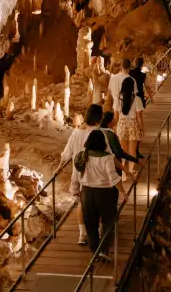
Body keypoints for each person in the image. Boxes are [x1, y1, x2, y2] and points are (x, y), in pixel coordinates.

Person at [80, 130, 128, 261]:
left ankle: (94, 250)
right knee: (108, 220)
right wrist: (123, 192)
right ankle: (103, 248)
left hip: (86, 192)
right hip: (104, 192)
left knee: (90, 222)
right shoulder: (106, 157)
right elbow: (113, 177)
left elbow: (78, 173)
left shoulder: (83, 155)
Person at [61, 104, 104, 245]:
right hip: (94, 173)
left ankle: (82, 234)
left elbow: (66, 153)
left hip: (78, 172)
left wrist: (59, 168)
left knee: (81, 203)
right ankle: (97, 231)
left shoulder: (76, 132)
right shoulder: (98, 132)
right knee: (96, 203)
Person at [114, 77, 145, 173]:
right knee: (132, 152)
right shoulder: (137, 99)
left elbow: (116, 116)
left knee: (122, 151)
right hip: (133, 125)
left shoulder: (117, 99)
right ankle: (131, 171)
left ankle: (123, 173)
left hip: (122, 125)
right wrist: (142, 129)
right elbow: (139, 116)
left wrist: (115, 128)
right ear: (132, 87)